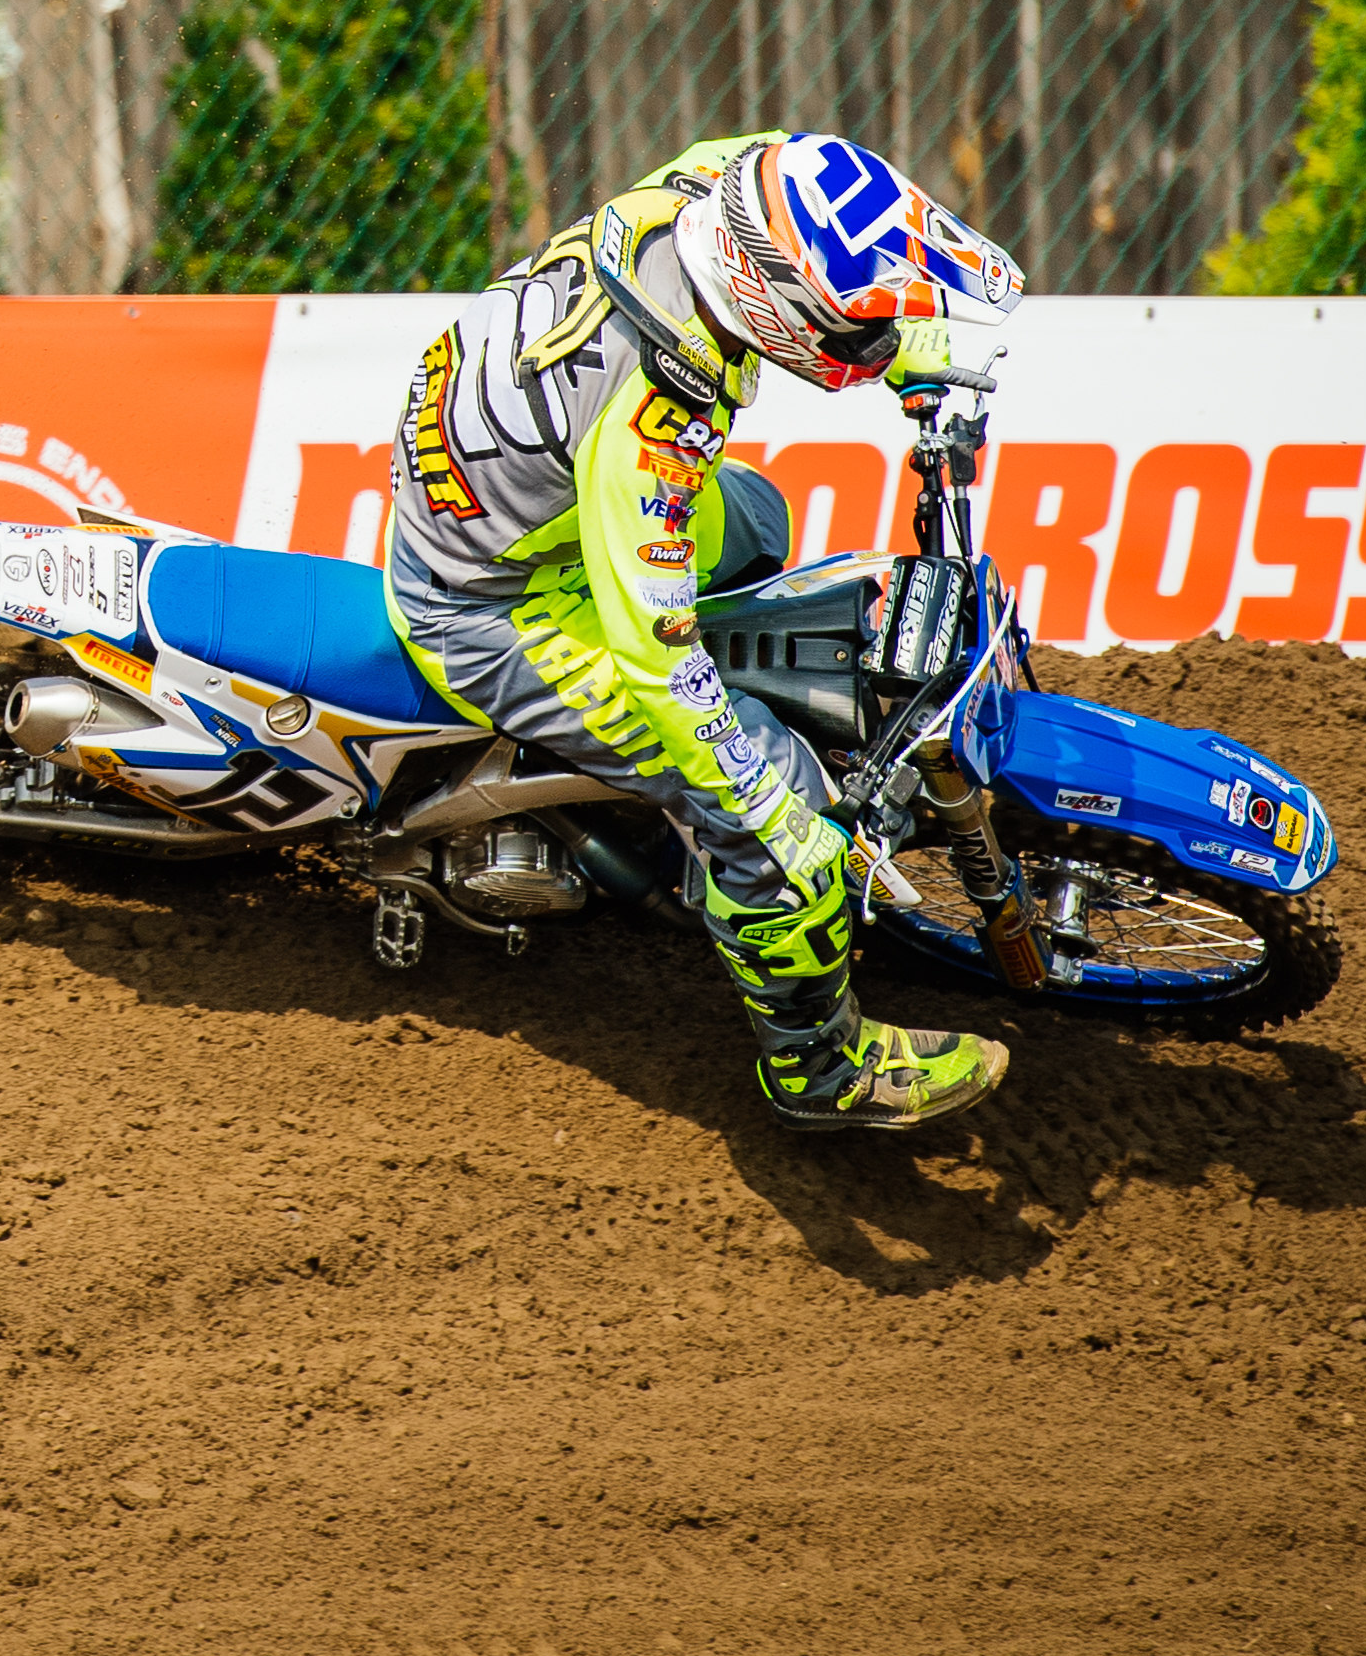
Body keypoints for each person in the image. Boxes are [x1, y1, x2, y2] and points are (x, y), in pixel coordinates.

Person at [380, 129, 1025, 1135]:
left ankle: (672, 820)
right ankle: (816, 1065)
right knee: (780, 817)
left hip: (512, 490)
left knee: (759, 518)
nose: (869, 342)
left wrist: (903, 336)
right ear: (772, 307)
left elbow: (801, 183)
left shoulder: (720, 187)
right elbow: (658, 659)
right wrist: (763, 798)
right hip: (492, 602)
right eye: (855, 330)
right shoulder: (653, 418)